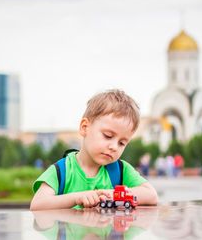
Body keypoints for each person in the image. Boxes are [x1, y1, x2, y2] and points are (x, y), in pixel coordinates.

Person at [30, 89, 159, 210]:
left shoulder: (120, 170)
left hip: (107, 234)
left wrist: (115, 194)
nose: (114, 147)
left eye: (122, 143)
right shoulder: (62, 171)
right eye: (108, 136)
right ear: (85, 127)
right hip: (71, 233)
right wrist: (77, 198)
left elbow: (151, 195)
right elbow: (37, 205)